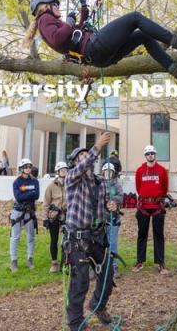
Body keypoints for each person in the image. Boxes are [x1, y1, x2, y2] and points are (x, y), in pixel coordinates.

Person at [23, 0, 177, 83]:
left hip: (98, 57)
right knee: (134, 18)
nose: (58, 8)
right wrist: (68, 22)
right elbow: (58, 38)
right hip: (93, 46)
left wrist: (83, 5)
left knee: (143, 36)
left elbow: (78, 28)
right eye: (56, 5)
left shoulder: (50, 23)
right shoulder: (44, 19)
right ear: (46, 7)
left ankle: (175, 70)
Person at [63, 132, 118, 331]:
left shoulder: (100, 182)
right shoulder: (72, 179)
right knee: (81, 283)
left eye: (87, 156)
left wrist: (111, 207)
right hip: (78, 239)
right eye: (81, 157)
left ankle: (98, 305)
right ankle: (75, 322)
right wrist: (97, 146)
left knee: (107, 276)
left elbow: (105, 205)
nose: (86, 159)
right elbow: (83, 165)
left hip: (97, 236)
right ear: (76, 163)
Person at [132, 145, 169, 275]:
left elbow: (164, 188)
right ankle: (140, 261)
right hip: (144, 206)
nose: (150, 156)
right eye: (148, 154)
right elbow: (138, 188)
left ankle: (160, 263)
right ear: (145, 156)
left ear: (155, 155)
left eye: (152, 153)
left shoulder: (162, 171)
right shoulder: (140, 171)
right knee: (142, 234)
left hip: (157, 206)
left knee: (159, 235)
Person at [9, 158, 40, 272]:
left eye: (29, 166)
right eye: (26, 167)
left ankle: (30, 259)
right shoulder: (17, 182)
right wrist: (30, 193)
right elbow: (18, 197)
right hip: (18, 212)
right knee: (15, 237)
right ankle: (13, 261)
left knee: (31, 237)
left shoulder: (35, 181)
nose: (28, 168)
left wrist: (25, 194)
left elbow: (36, 195)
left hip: (30, 212)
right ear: (21, 169)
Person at [43, 161, 68, 273]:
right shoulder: (51, 187)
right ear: (57, 172)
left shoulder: (70, 184)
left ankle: (66, 262)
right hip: (53, 216)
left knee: (66, 241)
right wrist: (45, 218)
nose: (64, 171)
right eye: (61, 170)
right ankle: (54, 263)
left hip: (66, 216)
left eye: (65, 169)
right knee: (54, 240)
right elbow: (46, 203)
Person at [102, 162, 124, 279]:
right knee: (100, 244)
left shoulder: (117, 185)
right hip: (101, 219)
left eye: (110, 172)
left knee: (113, 243)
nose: (108, 174)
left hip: (113, 218)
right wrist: (105, 202)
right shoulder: (100, 184)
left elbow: (121, 197)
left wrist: (113, 201)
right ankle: (100, 265)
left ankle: (113, 266)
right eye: (106, 172)